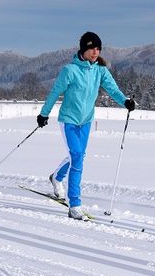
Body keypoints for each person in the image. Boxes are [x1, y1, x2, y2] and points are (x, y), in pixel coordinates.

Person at [37, 31, 136, 219]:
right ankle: (74, 204)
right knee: (76, 158)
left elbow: (113, 89)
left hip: (86, 121)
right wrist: (44, 114)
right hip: (68, 120)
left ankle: (56, 177)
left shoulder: (100, 70)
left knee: (78, 156)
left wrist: (125, 102)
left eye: (98, 49)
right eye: (92, 48)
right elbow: (54, 92)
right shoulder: (70, 70)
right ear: (84, 49)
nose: (95, 52)